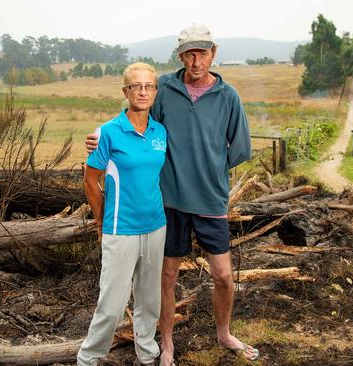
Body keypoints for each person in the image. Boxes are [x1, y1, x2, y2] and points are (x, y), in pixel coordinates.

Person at [86, 24, 257, 365]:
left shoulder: (229, 96)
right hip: (170, 203)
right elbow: (138, 110)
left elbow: (239, 149)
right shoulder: (164, 86)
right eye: (190, 54)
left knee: (223, 276)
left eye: (203, 53)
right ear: (180, 56)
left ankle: (223, 333)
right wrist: (99, 136)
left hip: (210, 200)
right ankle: (166, 345)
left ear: (214, 53)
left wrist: (207, 164)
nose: (196, 61)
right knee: (166, 277)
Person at [77, 62, 167, 366]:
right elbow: (91, 181)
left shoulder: (160, 132)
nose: (143, 91)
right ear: (125, 91)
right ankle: (88, 359)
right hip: (121, 229)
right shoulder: (108, 133)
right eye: (136, 86)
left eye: (149, 86)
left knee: (149, 300)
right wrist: (102, 221)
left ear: (155, 90)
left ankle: (147, 354)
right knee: (112, 305)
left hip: (156, 227)